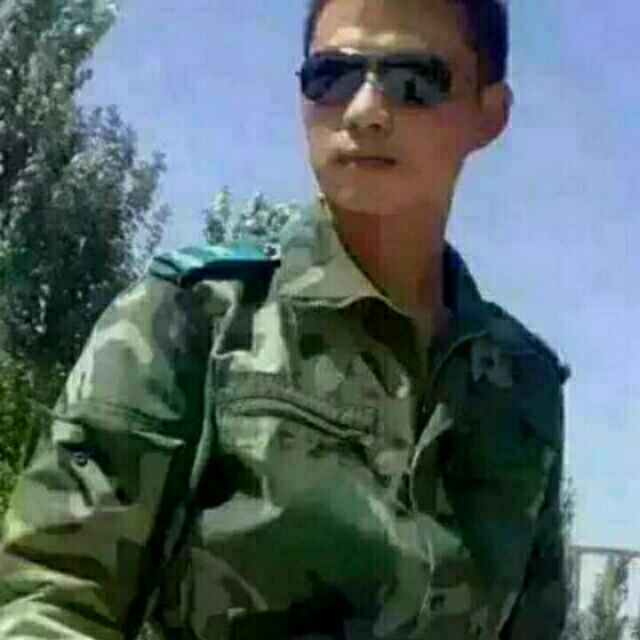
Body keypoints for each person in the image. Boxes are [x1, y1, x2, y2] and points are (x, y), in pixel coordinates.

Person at [0, 0, 571, 638]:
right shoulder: (197, 319)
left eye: (415, 81)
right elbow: (53, 594)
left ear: (488, 114)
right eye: (332, 76)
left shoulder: (522, 387)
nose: (365, 111)